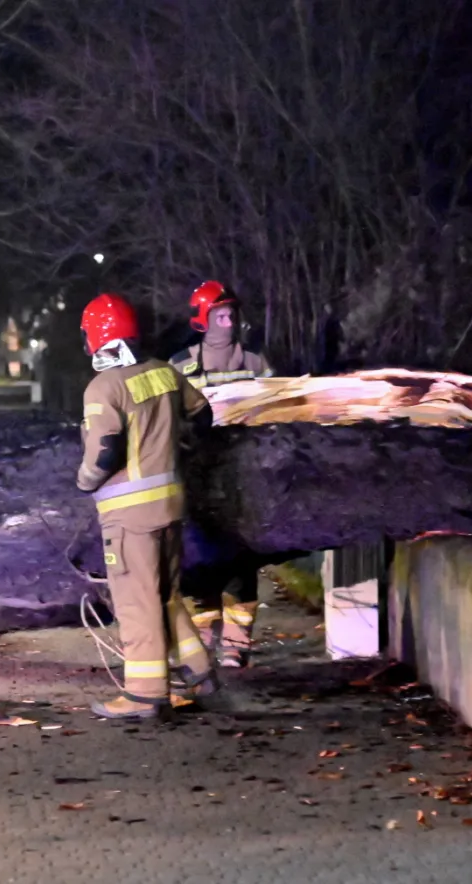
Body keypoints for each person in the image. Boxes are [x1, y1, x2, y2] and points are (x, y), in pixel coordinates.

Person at [77, 293, 218, 719]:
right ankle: (199, 671)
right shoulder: (164, 373)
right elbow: (204, 415)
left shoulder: (104, 387)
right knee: (165, 594)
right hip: (172, 505)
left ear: (98, 339)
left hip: (129, 517)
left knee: (136, 601)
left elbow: (103, 455)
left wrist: (83, 481)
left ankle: (143, 694)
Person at [170, 281, 273, 666]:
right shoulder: (179, 365)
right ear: (202, 320)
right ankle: (201, 646)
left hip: (243, 474)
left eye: (232, 314)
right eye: (220, 315)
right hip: (196, 475)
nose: (228, 322)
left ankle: (235, 648)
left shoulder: (256, 364)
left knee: (242, 564)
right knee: (197, 564)